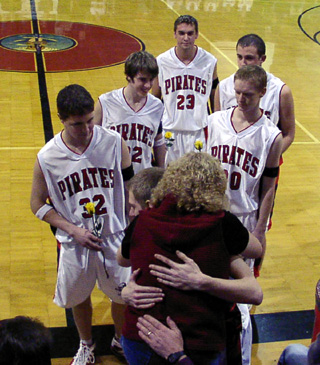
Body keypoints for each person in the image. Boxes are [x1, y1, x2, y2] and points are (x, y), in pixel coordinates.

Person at [118, 151, 262, 365]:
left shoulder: (143, 220)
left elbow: (123, 259)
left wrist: (125, 290)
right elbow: (256, 251)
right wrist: (210, 274)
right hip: (199, 342)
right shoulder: (222, 224)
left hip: (140, 336)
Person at [30, 84, 133, 364]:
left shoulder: (113, 141)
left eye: (90, 121)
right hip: (76, 240)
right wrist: (73, 229)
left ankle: (119, 339)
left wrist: (134, 215)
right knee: (78, 297)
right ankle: (86, 344)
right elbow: (37, 204)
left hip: (114, 235)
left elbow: (130, 185)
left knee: (122, 297)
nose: (87, 129)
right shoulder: (48, 157)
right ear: (62, 119)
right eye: (78, 124)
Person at [207, 64, 283, 365]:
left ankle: (241, 356)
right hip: (213, 214)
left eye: (248, 94)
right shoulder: (214, 122)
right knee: (211, 280)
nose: (241, 99)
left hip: (244, 218)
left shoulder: (271, 136)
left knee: (239, 295)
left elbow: (268, 186)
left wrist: (261, 228)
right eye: (237, 92)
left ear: (263, 93)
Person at [152, 15, 219, 164]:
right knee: (169, 178)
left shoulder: (209, 61)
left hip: (198, 131)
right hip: (170, 130)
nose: (186, 37)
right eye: (181, 33)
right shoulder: (161, 61)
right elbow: (155, 99)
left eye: (190, 33)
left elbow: (215, 98)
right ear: (174, 34)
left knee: (197, 178)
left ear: (197, 34)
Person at [215, 33, 295, 154]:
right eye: (239, 57)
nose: (243, 62)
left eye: (249, 58)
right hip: (229, 157)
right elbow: (217, 128)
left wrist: (269, 160)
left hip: (262, 160)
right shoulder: (223, 87)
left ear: (262, 59)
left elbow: (288, 134)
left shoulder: (281, 91)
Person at [94, 51, 166, 173]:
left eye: (151, 79)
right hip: (113, 177)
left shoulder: (157, 106)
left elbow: (158, 142)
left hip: (142, 180)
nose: (148, 85)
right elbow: (91, 142)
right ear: (128, 76)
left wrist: (162, 174)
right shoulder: (105, 102)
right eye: (142, 79)